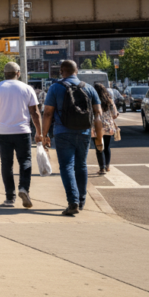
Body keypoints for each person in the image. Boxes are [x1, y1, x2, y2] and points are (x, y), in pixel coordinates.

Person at [41, 60, 102, 216]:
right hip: (84, 132)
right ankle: (81, 201)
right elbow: (98, 114)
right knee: (81, 165)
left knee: (66, 166)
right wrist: (99, 137)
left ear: (62, 71)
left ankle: (72, 201)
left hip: (62, 132)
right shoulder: (88, 88)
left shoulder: (55, 88)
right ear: (77, 70)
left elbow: (47, 113)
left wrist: (45, 134)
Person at [0, 62, 42, 209]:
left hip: (3, 132)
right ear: (18, 73)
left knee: (6, 164)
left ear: (5, 73)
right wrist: (40, 133)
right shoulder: (27, 88)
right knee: (25, 161)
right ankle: (23, 188)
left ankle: (10, 198)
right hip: (22, 131)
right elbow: (35, 113)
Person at [93, 82, 119, 174]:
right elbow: (115, 115)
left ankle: (101, 168)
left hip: (96, 126)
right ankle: (107, 166)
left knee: (99, 147)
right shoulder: (110, 100)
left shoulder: (92, 100)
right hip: (108, 126)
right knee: (107, 147)